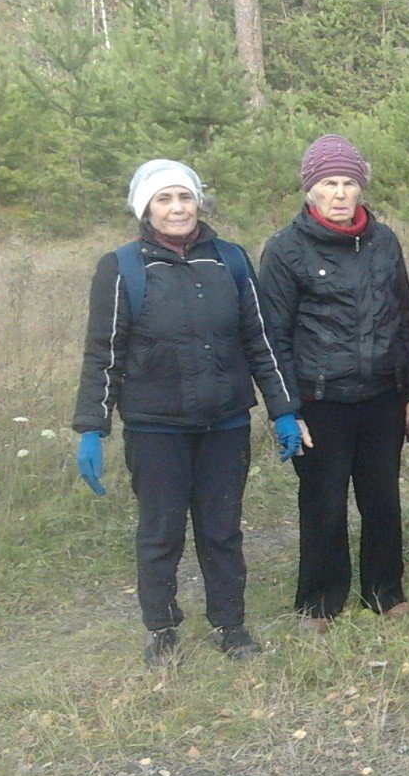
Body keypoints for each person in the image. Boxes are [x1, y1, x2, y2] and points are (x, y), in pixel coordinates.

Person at [73, 159, 301, 665]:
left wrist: (284, 409)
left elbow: (260, 341)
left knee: (222, 530)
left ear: (199, 202)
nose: (177, 208)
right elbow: (103, 352)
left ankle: (230, 625)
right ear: (146, 209)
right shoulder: (123, 268)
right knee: (161, 532)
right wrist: (92, 426)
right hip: (155, 427)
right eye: (164, 199)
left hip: (225, 424)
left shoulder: (231, 260)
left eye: (184, 197)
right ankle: (161, 628)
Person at [259, 136, 409, 632]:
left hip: (382, 394)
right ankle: (320, 601)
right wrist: (285, 407)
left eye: (348, 182)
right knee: (323, 502)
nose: (339, 193)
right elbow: (273, 335)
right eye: (328, 183)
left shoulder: (384, 241)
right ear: (310, 190)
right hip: (320, 399)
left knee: (382, 497)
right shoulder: (285, 250)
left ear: (361, 187)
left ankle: (385, 590)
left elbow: (405, 319)